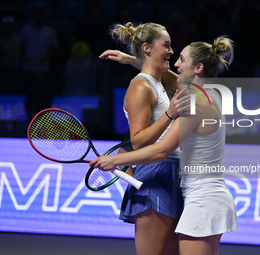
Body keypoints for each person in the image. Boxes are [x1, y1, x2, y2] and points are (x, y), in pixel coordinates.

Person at [93, 36, 239, 255]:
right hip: (204, 196)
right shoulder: (210, 93)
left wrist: (114, 159)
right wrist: (135, 61)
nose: (176, 64)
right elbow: (167, 77)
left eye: (181, 59)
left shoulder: (196, 102)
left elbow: (161, 150)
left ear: (198, 68)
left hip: (203, 199)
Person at [103, 22, 191, 255]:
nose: (172, 52)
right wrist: (170, 114)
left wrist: (134, 59)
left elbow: (188, 85)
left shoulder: (159, 82)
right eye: (167, 45)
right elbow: (139, 141)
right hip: (155, 175)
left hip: (173, 174)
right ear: (147, 48)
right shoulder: (140, 86)